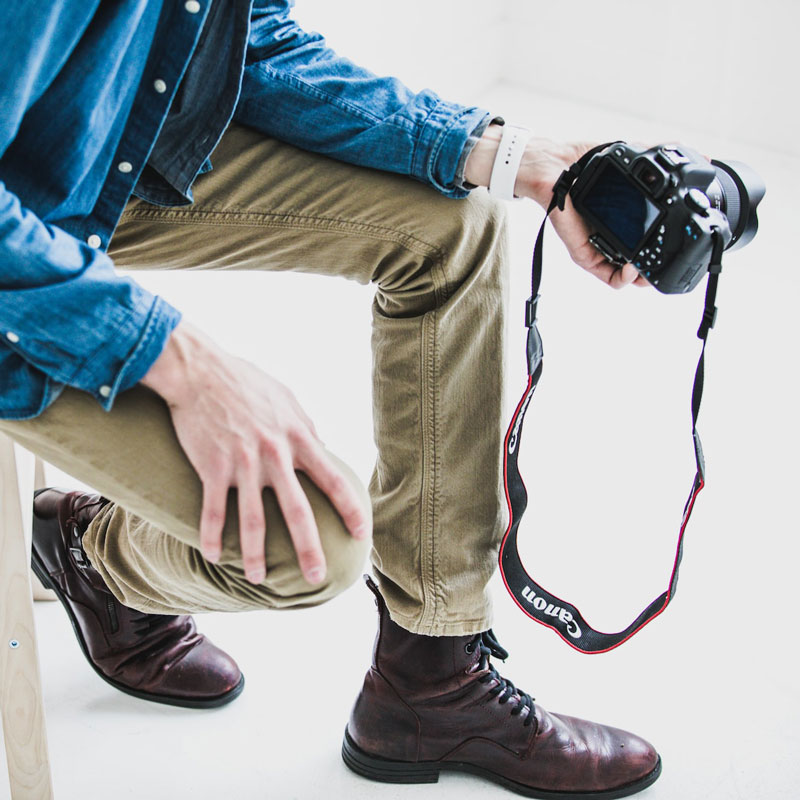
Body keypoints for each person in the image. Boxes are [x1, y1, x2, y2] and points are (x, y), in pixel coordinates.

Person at [0, 1, 658, 796]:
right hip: (20, 231)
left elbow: (252, 42)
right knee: (310, 543)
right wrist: (177, 359)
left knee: (452, 224)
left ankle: (433, 678)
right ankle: (98, 560)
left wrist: (508, 153)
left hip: (92, 157)